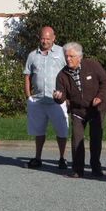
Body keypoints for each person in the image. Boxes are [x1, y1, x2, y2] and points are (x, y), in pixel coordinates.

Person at [53, 42, 106, 178]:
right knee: (77, 139)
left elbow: (105, 81)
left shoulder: (92, 65)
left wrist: (100, 97)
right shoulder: (62, 75)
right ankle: (78, 169)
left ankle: (96, 168)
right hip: (78, 111)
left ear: (79, 57)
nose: (68, 59)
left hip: (96, 109)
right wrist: (58, 97)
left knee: (96, 139)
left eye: (71, 56)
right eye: (66, 56)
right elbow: (61, 96)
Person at [23, 26, 69, 170]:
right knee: (39, 131)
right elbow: (27, 76)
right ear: (39, 38)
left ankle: (62, 158)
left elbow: (70, 74)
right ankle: (38, 158)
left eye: (48, 38)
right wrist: (28, 96)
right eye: (43, 38)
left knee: (62, 131)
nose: (45, 41)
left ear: (54, 38)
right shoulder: (32, 55)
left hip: (57, 101)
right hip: (38, 101)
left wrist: (67, 96)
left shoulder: (62, 52)